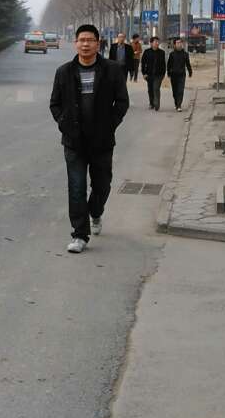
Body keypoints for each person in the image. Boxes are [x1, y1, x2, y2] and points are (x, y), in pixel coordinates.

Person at [50, 24, 130, 254]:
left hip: (102, 142)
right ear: (76, 43)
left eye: (90, 40)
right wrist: (64, 124)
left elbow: (122, 102)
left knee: (102, 185)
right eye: (81, 40)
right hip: (74, 142)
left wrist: (110, 125)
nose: (85, 44)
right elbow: (55, 103)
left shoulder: (112, 70)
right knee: (76, 188)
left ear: (98, 43)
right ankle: (79, 234)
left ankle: (96, 212)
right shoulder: (64, 72)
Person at [139, 36, 167, 111]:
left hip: (159, 75)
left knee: (156, 88)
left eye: (158, 42)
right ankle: (151, 103)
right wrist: (144, 73)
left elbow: (163, 64)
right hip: (149, 74)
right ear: (151, 43)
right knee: (150, 89)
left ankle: (157, 104)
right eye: (155, 42)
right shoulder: (147, 52)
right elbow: (143, 63)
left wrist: (163, 74)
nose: (157, 43)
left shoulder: (162, 52)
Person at [166, 38, 193, 112]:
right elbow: (169, 64)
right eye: (177, 43)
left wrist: (190, 72)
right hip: (173, 75)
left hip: (182, 75)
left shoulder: (185, 54)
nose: (179, 44)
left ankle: (179, 105)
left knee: (180, 90)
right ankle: (176, 103)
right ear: (175, 45)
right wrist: (168, 73)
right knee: (175, 91)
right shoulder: (172, 54)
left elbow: (188, 64)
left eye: (180, 43)